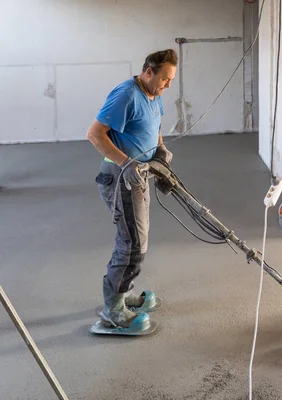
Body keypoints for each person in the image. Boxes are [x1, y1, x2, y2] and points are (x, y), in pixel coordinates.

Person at [86, 49, 177, 330]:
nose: (168, 85)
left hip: (140, 176)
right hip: (121, 177)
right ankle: (113, 308)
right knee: (132, 245)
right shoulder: (126, 95)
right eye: (164, 79)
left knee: (139, 239)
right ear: (148, 72)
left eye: (171, 80)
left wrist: (160, 153)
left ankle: (123, 293)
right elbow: (94, 134)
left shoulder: (154, 95)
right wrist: (127, 164)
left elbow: (155, 126)